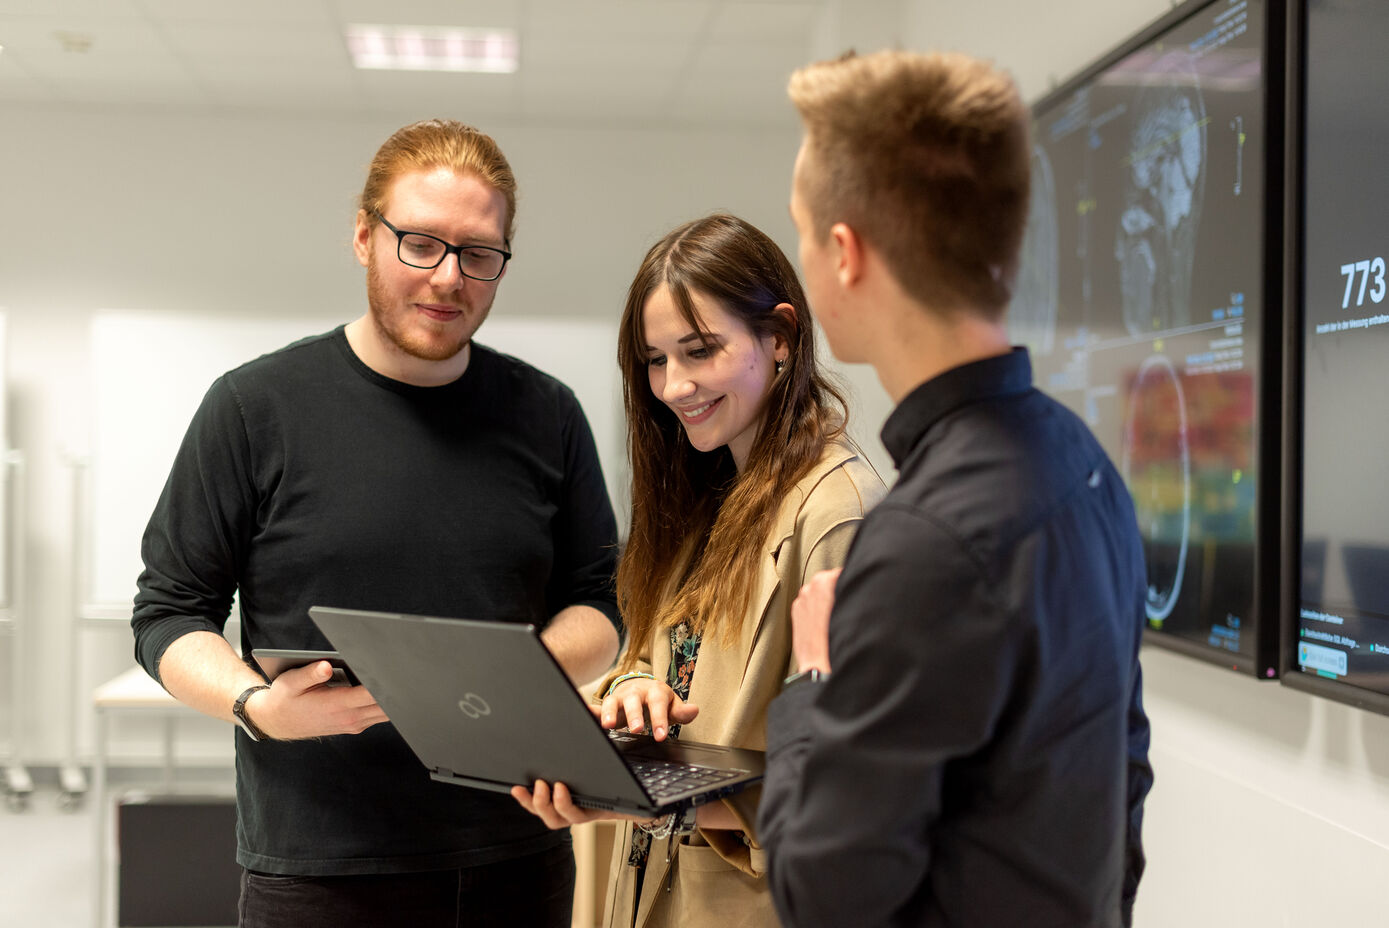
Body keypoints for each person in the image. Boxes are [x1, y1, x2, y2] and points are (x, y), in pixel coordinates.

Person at [131, 119, 621, 928]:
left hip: (516, 854)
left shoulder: (548, 414)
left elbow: (600, 603)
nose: (448, 278)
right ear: (364, 237)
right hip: (320, 870)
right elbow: (168, 613)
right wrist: (257, 704)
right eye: (420, 244)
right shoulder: (254, 408)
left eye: (478, 254)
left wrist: (511, 676)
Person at [756, 50, 1154, 927]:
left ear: (844, 253)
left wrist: (818, 672)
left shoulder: (928, 541)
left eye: (797, 227)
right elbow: (1121, 774)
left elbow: (818, 893)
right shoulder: (1081, 461)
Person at [511, 213, 886, 927]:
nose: (674, 385)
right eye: (655, 360)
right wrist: (635, 687)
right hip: (656, 888)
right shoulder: (709, 496)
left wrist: (635, 791)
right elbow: (661, 657)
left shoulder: (839, 514)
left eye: (699, 351)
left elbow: (855, 783)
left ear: (778, 337)